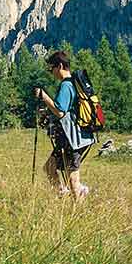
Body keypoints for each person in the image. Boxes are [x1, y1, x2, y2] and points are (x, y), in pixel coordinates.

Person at [33, 51, 93, 199]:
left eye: (51, 68)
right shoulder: (73, 84)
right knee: (50, 167)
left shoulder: (66, 85)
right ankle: (64, 195)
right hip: (74, 137)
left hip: (73, 140)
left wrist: (44, 96)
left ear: (59, 66)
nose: (51, 72)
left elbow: (60, 111)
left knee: (72, 178)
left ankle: (78, 208)